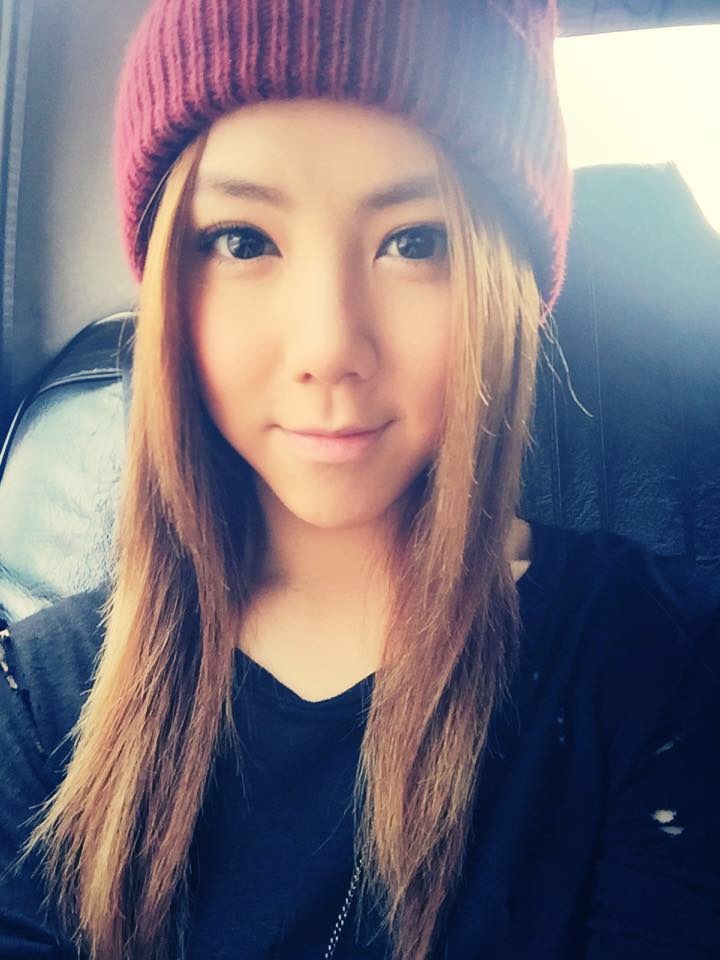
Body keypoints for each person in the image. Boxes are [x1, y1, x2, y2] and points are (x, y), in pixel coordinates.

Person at [0, 1, 718, 958]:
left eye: (416, 241)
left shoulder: (663, 665)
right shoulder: (38, 697)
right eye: (243, 241)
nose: (329, 346)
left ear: (506, 287)